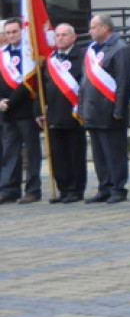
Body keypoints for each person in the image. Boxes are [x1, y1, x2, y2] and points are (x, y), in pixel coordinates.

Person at [80, 13, 130, 204]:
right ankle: (105, 186)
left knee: (114, 153)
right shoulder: (92, 50)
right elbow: (84, 83)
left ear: (105, 28)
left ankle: (118, 188)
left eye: (93, 27)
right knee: (99, 154)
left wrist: (119, 109)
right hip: (92, 111)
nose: (90, 31)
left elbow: (123, 82)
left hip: (110, 110)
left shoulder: (120, 49)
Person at [38, 23, 87, 203]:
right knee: (58, 154)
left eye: (64, 35)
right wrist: (39, 111)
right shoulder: (50, 59)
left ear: (73, 37)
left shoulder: (82, 56)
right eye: (58, 35)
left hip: (73, 114)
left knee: (74, 153)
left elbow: (84, 84)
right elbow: (42, 87)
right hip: (54, 114)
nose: (60, 38)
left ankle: (76, 189)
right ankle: (63, 188)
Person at [0, 17, 42, 203]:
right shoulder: (2, 55)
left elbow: (30, 82)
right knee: (10, 152)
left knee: (32, 152)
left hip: (26, 110)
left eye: (14, 32)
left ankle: (33, 190)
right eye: (7, 33)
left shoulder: (29, 54)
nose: (11, 36)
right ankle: (9, 189)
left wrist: (11, 102)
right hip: (7, 112)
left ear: (22, 31)